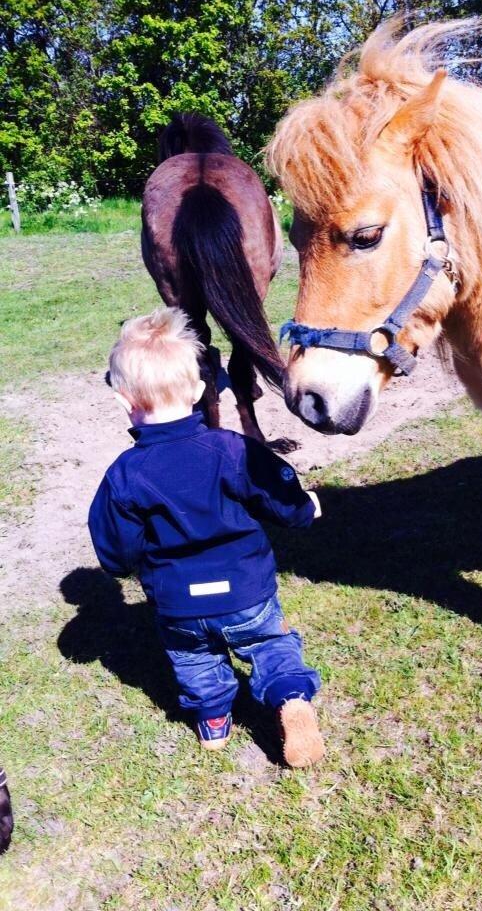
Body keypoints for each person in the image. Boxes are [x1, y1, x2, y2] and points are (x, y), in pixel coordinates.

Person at [88, 308, 324, 767]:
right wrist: (304, 509)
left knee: (194, 660)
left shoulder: (124, 474)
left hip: (179, 605)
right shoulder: (231, 449)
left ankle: (214, 721)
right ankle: (290, 697)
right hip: (247, 592)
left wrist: (122, 567)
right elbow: (274, 489)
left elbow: (114, 545)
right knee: (270, 644)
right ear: (200, 390)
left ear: (123, 400)